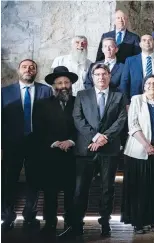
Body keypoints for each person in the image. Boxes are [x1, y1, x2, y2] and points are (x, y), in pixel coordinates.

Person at [61, 64, 127, 237]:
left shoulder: (119, 96)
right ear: (92, 76)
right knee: (80, 189)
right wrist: (95, 137)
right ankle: (77, 224)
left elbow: (121, 120)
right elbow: (78, 118)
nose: (101, 77)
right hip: (85, 150)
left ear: (109, 75)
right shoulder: (82, 95)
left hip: (109, 149)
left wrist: (105, 137)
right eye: (97, 74)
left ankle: (105, 223)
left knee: (107, 189)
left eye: (104, 74)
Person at [1, 59, 53, 230]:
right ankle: (7, 216)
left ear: (36, 71)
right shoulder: (5, 92)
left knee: (34, 181)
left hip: (37, 144)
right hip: (11, 144)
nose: (28, 69)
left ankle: (30, 215)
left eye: (32, 67)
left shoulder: (46, 91)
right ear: (18, 70)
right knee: (9, 180)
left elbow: (50, 120)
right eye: (24, 67)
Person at [121, 75, 154, 234]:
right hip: (139, 152)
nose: (152, 85)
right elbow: (133, 125)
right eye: (148, 83)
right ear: (143, 86)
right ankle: (138, 222)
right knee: (139, 188)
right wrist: (146, 145)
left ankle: (151, 220)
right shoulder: (136, 100)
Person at [33, 66, 78, 235]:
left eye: (67, 82)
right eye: (60, 83)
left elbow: (82, 126)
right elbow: (38, 128)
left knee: (70, 193)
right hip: (49, 155)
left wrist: (71, 141)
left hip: (72, 156)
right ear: (54, 86)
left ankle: (70, 224)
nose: (64, 85)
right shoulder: (42, 104)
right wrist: (55, 142)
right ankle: (50, 223)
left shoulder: (78, 102)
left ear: (71, 84)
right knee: (50, 193)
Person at [120, 34, 154, 100]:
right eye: (144, 40)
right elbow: (124, 82)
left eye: (150, 40)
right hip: (136, 100)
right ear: (140, 44)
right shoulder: (130, 61)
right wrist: (126, 102)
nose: (147, 42)